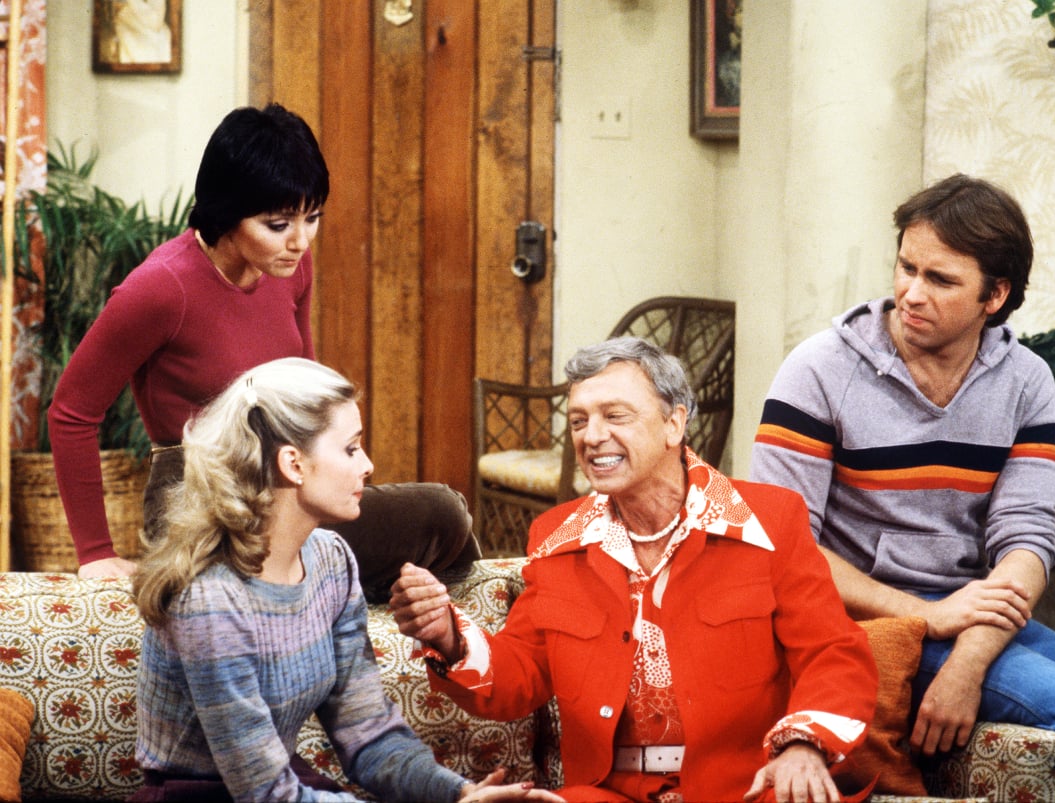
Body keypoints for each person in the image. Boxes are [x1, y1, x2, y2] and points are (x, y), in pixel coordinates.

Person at [749, 174, 1055, 803]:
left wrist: (968, 659)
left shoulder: (1025, 380)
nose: (910, 293)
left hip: (969, 614)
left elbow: (1026, 540)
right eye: (906, 267)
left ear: (996, 294)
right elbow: (782, 548)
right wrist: (926, 617)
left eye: (940, 280)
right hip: (858, 616)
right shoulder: (818, 369)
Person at [392, 337, 878, 803]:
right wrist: (450, 638)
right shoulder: (557, 539)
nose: (592, 436)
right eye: (579, 421)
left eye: (615, 416)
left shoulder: (770, 521)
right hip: (608, 794)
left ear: (674, 425)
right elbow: (522, 675)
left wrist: (803, 745)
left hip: (749, 789)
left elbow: (834, 654)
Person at [130, 357, 564, 803]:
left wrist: (460, 793)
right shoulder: (210, 598)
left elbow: (370, 737)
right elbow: (265, 794)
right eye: (351, 448)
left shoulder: (332, 561)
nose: (368, 465)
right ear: (293, 464)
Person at [50, 103, 326, 579]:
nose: (301, 241)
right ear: (228, 213)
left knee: (438, 513)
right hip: (196, 500)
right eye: (278, 225)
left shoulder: (292, 265)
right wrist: (95, 552)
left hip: (284, 488)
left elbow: (305, 392)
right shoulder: (161, 287)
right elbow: (72, 412)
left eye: (313, 217)